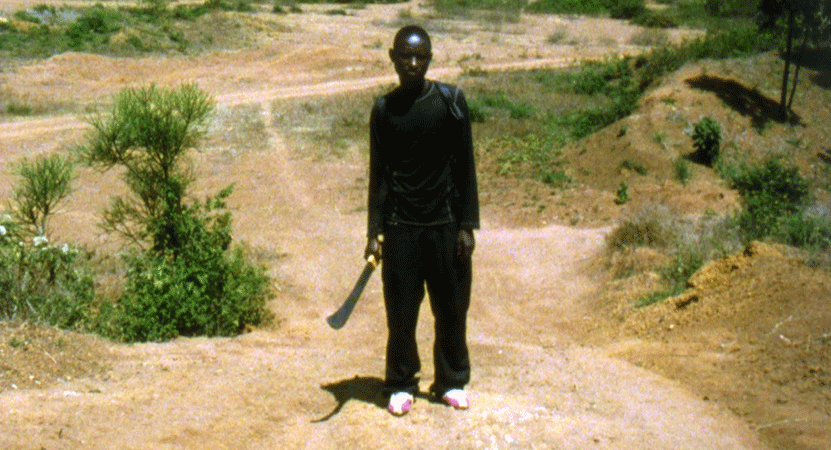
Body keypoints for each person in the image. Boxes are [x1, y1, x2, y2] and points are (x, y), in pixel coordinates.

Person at [365, 25, 480, 416]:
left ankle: (451, 380)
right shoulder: (384, 110)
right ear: (392, 57)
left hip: (445, 225)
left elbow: (466, 167)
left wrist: (467, 226)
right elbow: (378, 177)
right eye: (406, 56)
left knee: (451, 308)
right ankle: (400, 382)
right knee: (400, 311)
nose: (413, 64)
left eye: (421, 57)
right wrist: (373, 234)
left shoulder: (451, 102)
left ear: (430, 59)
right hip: (401, 228)